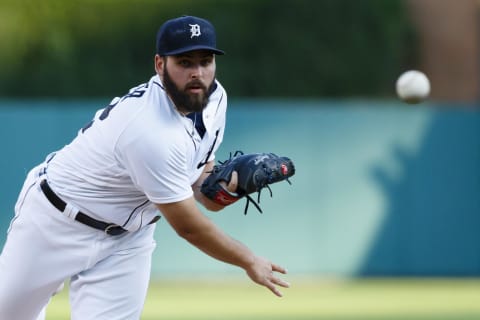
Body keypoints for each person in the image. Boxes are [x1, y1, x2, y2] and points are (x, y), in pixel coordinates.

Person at [0, 15, 289, 320]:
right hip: (56, 223)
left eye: (206, 61)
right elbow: (189, 227)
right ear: (160, 64)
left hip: (128, 238)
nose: (198, 72)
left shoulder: (216, 99)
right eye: (185, 62)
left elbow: (200, 188)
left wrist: (231, 187)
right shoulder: (148, 131)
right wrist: (248, 260)